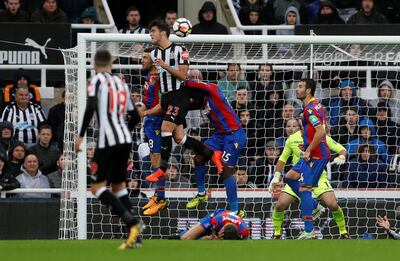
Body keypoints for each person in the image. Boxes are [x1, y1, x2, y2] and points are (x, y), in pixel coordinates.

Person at [74, 49, 142, 250]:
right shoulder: (121, 83)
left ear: (95, 65)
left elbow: (91, 106)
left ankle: (131, 222)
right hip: (125, 139)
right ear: (111, 65)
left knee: (97, 188)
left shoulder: (96, 81)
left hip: (107, 141)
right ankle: (135, 237)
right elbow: (136, 116)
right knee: (119, 187)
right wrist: (126, 132)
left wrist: (80, 136)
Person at [144, 20, 217, 187]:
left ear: (163, 32)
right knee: (178, 138)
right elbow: (162, 74)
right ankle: (209, 153)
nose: (151, 34)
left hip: (180, 95)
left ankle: (162, 169)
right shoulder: (154, 53)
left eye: (153, 31)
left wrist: (164, 66)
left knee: (164, 129)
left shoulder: (181, 51)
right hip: (167, 97)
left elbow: (184, 76)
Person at [269, 116, 349, 239]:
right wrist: (276, 176)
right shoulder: (292, 140)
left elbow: (341, 149)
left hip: (319, 177)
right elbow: (282, 159)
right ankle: (277, 233)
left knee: (332, 204)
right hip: (299, 177)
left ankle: (344, 232)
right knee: (280, 205)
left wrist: (341, 157)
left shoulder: (319, 137)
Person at [183, 80, 246, 216]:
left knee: (226, 172)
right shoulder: (201, 102)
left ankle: (236, 211)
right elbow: (184, 105)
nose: (191, 98)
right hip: (219, 136)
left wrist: (181, 80)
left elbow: (190, 83)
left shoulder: (212, 89)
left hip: (234, 135)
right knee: (198, 158)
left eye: (192, 95)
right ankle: (201, 193)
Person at [277, 79, 330, 239]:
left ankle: (308, 229)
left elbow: (321, 131)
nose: (297, 89)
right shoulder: (316, 105)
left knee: (305, 189)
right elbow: (322, 129)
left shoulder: (310, 110)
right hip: (314, 152)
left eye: (300, 87)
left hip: (317, 156)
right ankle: (314, 206)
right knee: (289, 177)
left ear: (308, 91)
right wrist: (308, 144)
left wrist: (308, 148)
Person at [139, 47, 167, 216]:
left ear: (153, 60)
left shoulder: (158, 78)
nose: (141, 60)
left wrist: (146, 113)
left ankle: (161, 197)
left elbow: (163, 104)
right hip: (151, 120)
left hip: (157, 120)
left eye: (144, 57)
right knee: (154, 159)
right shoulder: (149, 76)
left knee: (157, 160)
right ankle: (158, 195)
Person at [177, 209, 249, 240]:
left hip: (226, 219)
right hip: (216, 216)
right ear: (221, 231)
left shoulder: (244, 231)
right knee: (185, 238)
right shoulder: (216, 220)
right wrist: (210, 238)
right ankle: (183, 232)